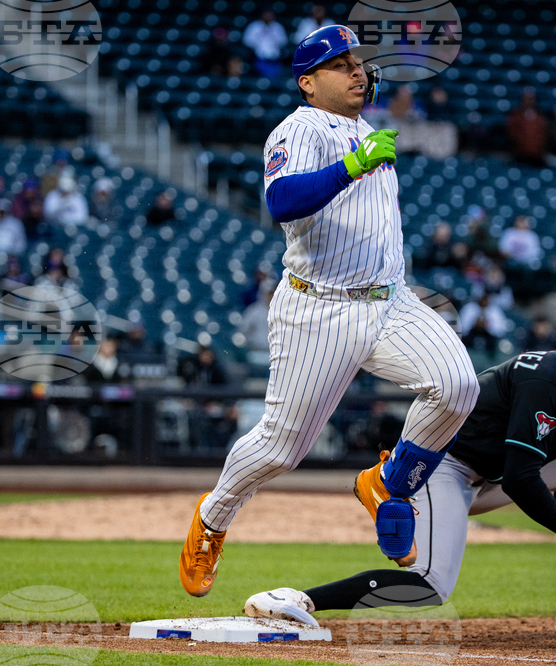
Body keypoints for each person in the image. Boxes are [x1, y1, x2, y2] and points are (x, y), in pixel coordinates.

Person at [178, 25, 479, 598]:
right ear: (309, 83)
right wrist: (352, 165)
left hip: (390, 300)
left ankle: (388, 485)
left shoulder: (369, 132)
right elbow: (281, 201)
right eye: (340, 64)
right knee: (279, 449)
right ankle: (214, 517)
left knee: (457, 385)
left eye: (358, 62)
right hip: (319, 310)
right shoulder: (300, 128)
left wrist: (364, 155)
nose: (357, 71)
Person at [244, 315, 556, 638]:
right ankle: (298, 598)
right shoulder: (550, 381)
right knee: (429, 587)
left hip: (481, 473)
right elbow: (524, 480)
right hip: (440, 468)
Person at [506, 87, 548, 166]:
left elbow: (544, 134)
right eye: (526, 99)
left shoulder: (540, 117)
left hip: (536, 155)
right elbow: (511, 133)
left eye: (531, 99)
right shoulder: (516, 116)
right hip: (519, 155)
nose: (529, 101)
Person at [243, 10, 287, 79]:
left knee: (275, 79)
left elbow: (283, 41)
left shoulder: (277, 27)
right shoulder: (254, 26)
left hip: (274, 59)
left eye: (270, 15)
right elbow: (247, 41)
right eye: (266, 14)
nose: (268, 17)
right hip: (259, 58)